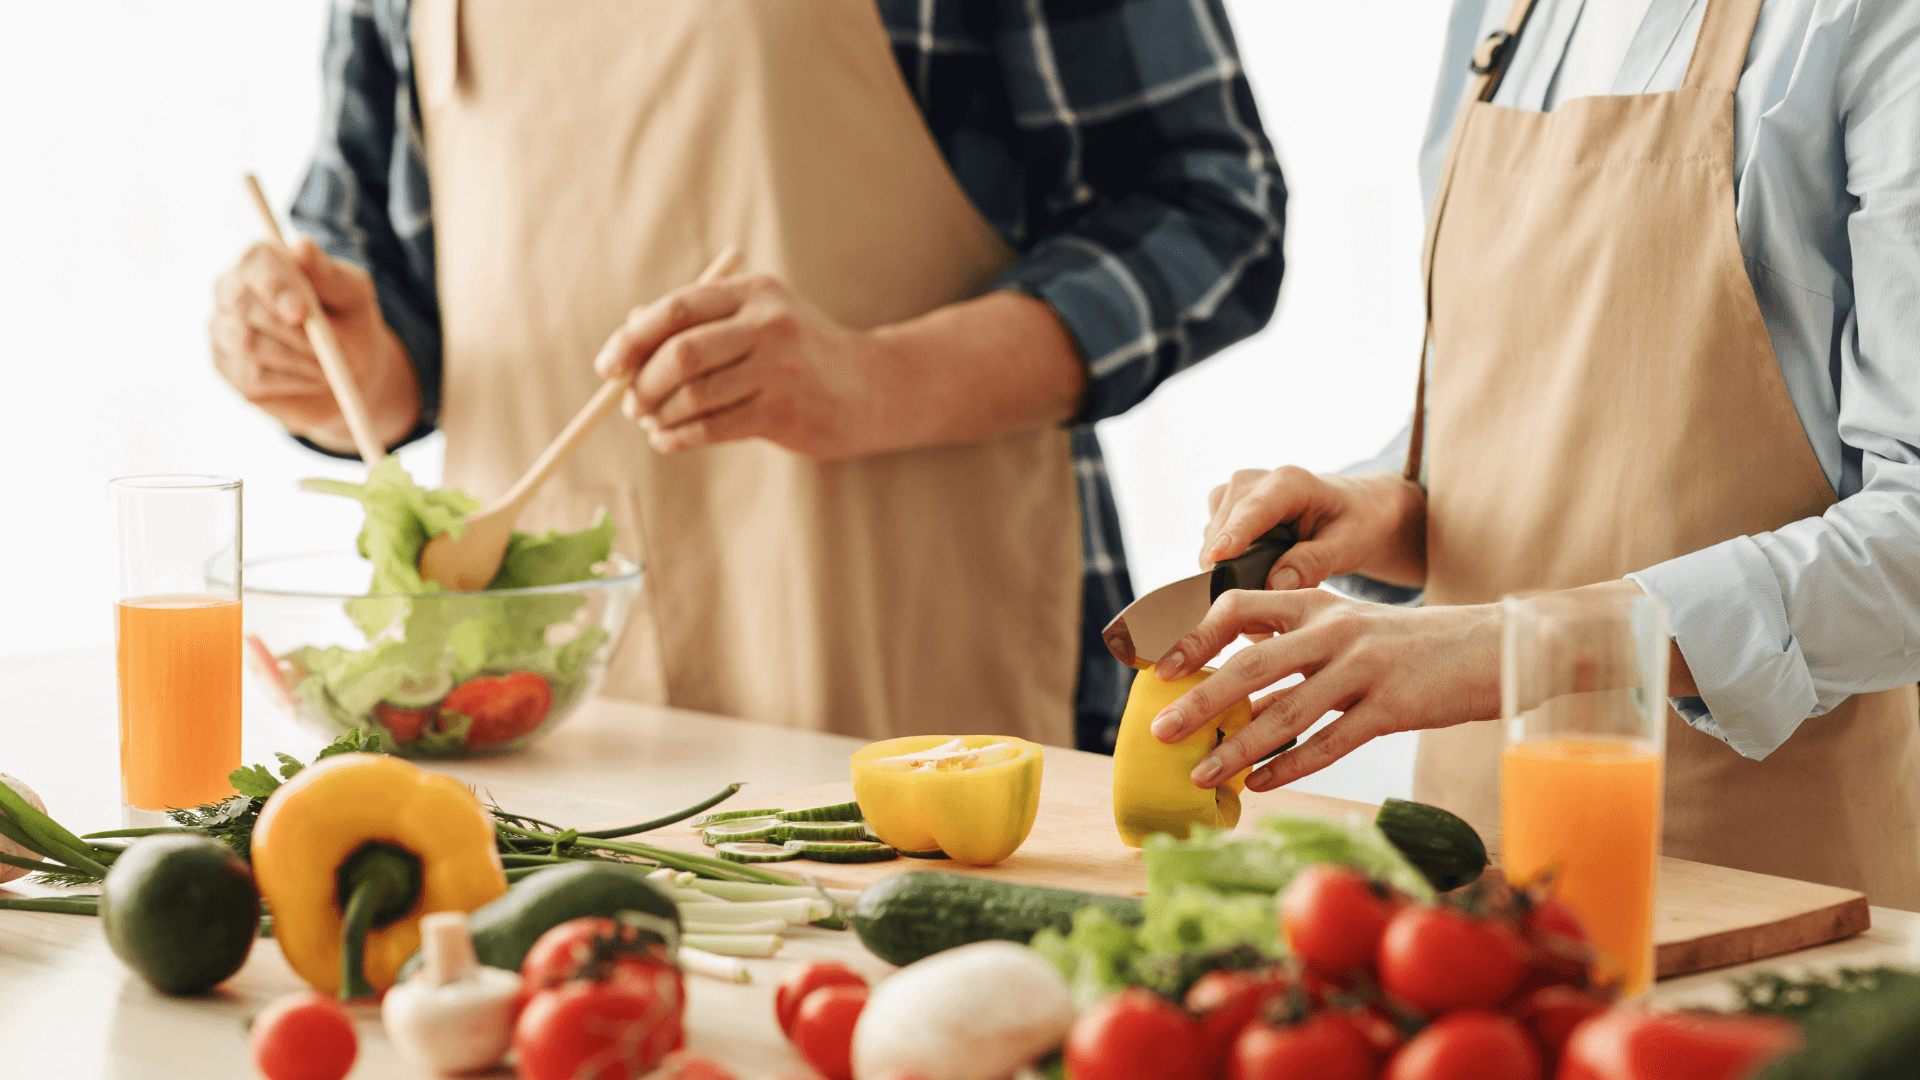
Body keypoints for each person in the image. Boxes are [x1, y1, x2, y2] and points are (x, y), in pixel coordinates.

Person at [209, 0, 1284, 752]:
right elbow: (386, 307)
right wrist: (331, 360)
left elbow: (1210, 206)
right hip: (541, 711)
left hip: (913, 656)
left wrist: (877, 379)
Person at [1146, 0, 1920, 909]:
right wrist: (1392, 506)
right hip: (1460, 878)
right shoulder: (1498, 16)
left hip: (1752, 883)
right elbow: (1564, 416)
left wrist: (1509, 648)